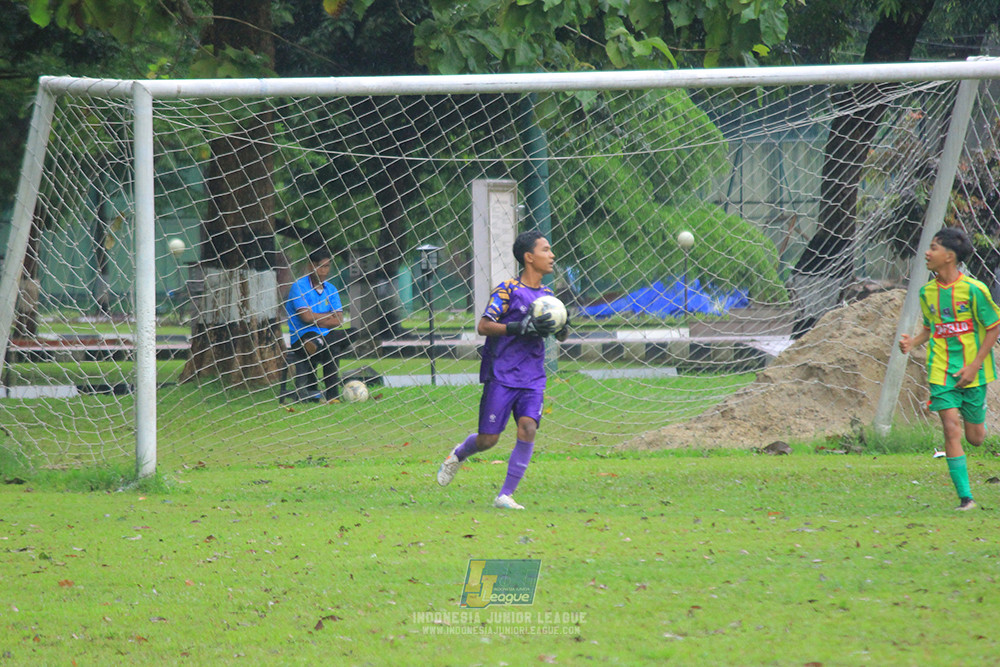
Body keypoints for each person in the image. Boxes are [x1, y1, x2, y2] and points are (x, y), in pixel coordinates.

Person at [436, 230, 569, 510]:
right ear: (529, 257)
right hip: (502, 375)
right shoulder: (507, 289)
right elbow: (484, 326)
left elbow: (559, 333)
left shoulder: (548, 296)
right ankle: (460, 453)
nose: (552, 255)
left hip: (532, 377)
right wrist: (516, 327)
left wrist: (561, 328)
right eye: (546, 250)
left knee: (528, 427)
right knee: (488, 440)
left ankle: (505, 495)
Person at [899, 227, 1000, 511]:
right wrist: (912, 342)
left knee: (975, 438)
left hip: (974, 373)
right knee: (950, 428)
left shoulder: (974, 290)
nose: (927, 253)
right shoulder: (927, 292)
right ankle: (966, 498)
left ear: (949, 256)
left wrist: (974, 365)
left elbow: (993, 328)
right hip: (940, 370)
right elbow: (931, 328)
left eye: (933, 248)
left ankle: (977, 417)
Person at [285, 248, 351, 401]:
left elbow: (339, 320)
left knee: (353, 331)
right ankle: (332, 396)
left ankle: (319, 343)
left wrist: (319, 318)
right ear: (311, 266)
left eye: (327, 267)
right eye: (321, 266)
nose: (324, 271)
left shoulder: (331, 289)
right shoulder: (299, 287)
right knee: (331, 348)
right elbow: (305, 318)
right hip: (303, 336)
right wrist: (329, 315)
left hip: (325, 335)